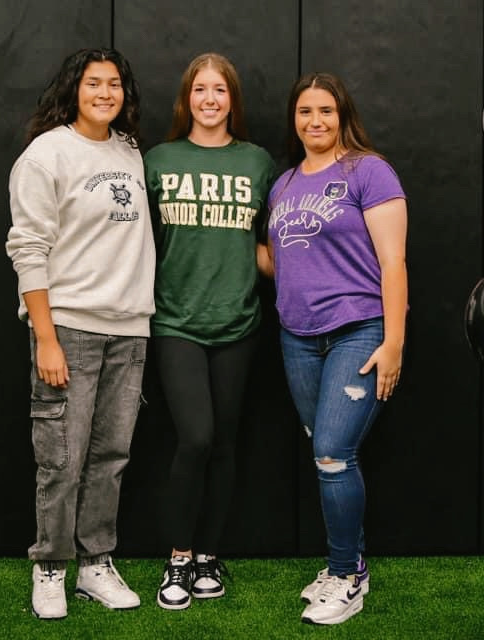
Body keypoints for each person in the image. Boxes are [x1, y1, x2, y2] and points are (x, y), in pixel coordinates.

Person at [6, 47, 155, 620]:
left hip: (131, 328)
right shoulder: (47, 155)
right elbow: (28, 248)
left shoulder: (130, 151)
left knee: (110, 457)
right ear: (74, 90)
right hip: (69, 327)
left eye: (114, 84)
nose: (105, 93)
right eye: (94, 84)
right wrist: (45, 337)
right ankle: (50, 567)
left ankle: (96, 566)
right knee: (61, 461)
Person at [260, 72, 407, 626]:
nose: (314, 121)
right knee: (326, 452)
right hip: (297, 336)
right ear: (294, 119)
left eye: (325, 110)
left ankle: (345, 575)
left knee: (331, 454)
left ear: (341, 114)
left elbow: (393, 261)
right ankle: (350, 562)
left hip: (359, 329)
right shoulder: (284, 183)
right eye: (304, 112)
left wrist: (394, 341)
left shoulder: (368, 170)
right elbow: (278, 261)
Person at [143, 52, 276, 611]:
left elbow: (274, 241)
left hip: (238, 322)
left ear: (232, 100)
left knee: (223, 445)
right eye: (201, 89)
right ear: (187, 98)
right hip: (175, 322)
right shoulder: (158, 159)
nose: (210, 99)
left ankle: (207, 557)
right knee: (194, 437)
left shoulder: (258, 162)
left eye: (220, 90)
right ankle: (177, 559)